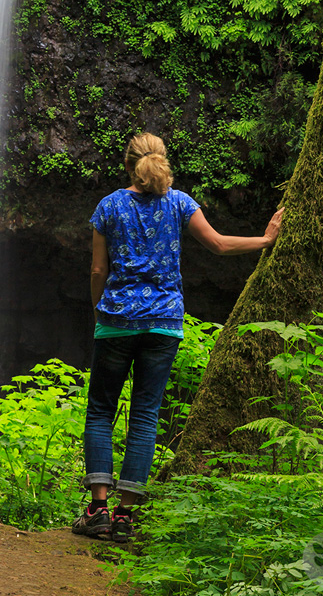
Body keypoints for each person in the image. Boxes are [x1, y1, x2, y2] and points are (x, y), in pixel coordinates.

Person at [71, 132, 284, 543]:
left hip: (116, 321)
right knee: (145, 416)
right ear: (162, 159)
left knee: (100, 411)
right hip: (164, 324)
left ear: (128, 163)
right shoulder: (180, 203)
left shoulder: (109, 206)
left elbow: (98, 271)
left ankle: (97, 510)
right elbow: (219, 245)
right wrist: (266, 240)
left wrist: (101, 310)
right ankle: (124, 518)